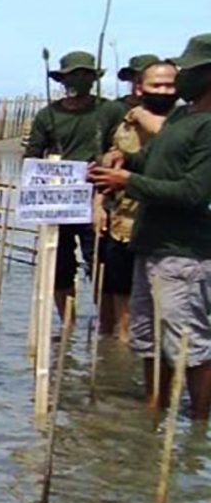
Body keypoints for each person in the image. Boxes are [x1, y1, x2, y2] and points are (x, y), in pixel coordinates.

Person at [89, 34, 211, 418]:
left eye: (186, 71)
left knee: (189, 342)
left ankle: (197, 422)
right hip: (151, 244)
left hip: (185, 252)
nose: (179, 77)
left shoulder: (208, 126)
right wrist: (125, 162)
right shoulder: (181, 116)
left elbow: (193, 191)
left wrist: (128, 183)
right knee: (149, 338)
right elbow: (158, 164)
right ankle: (153, 409)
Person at [24, 51, 127, 324]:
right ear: (64, 79)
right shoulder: (49, 115)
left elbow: (123, 148)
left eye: (85, 74)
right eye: (74, 75)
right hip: (59, 201)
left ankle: (106, 325)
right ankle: (67, 325)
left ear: (94, 78)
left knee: (100, 265)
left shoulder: (110, 110)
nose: (79, 80)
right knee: (59, 267)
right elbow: (32, 157)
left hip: (98, 200)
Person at [95, 59, 176, 338]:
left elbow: (171, 141)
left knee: (163, 314)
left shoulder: (185, 120)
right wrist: (99, 204)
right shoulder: (123, 121)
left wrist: (141, 115)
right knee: (118, 302)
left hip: (165, 233)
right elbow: (114, 159)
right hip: (122, 224)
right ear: (140, 87)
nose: (164, 91)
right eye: (157, 85)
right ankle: (117, 363)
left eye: (170, 85)